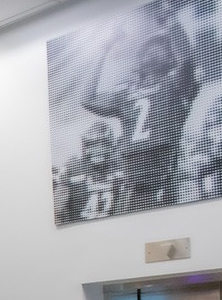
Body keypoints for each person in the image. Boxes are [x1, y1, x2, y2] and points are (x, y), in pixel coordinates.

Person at [82, 18, 200, 211]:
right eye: (149, 47)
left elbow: (187, 60)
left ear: (170, 57)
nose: (152, 52)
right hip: (132, 167)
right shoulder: (127, 93)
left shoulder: (176, 84)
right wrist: (103, 49)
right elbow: (87, 100)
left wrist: (171, 22)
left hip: (162, 160)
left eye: (160, 47)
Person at [55, 121, 123, 222]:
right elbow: (57, 209)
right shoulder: (73, 167)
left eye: (102, 145)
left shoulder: (120, 165)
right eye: (92, 145)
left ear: (110, 146)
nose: (97, 150)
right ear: (85, 147)